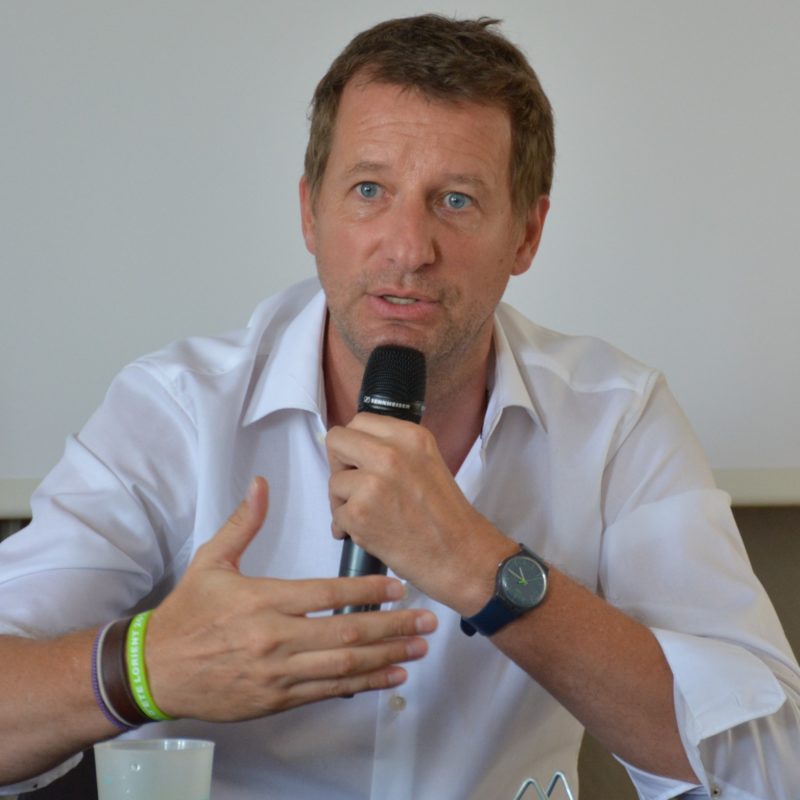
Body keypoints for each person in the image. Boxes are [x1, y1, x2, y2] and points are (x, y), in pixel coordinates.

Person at [1, 14, 798, 799]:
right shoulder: (177, 410)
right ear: (310, 213)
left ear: (526, 234)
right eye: (369, 190)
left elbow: (774, 769)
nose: (409, 248)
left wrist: (484, 568)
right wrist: (146, 666)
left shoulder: (614, 417)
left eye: (455, 200)